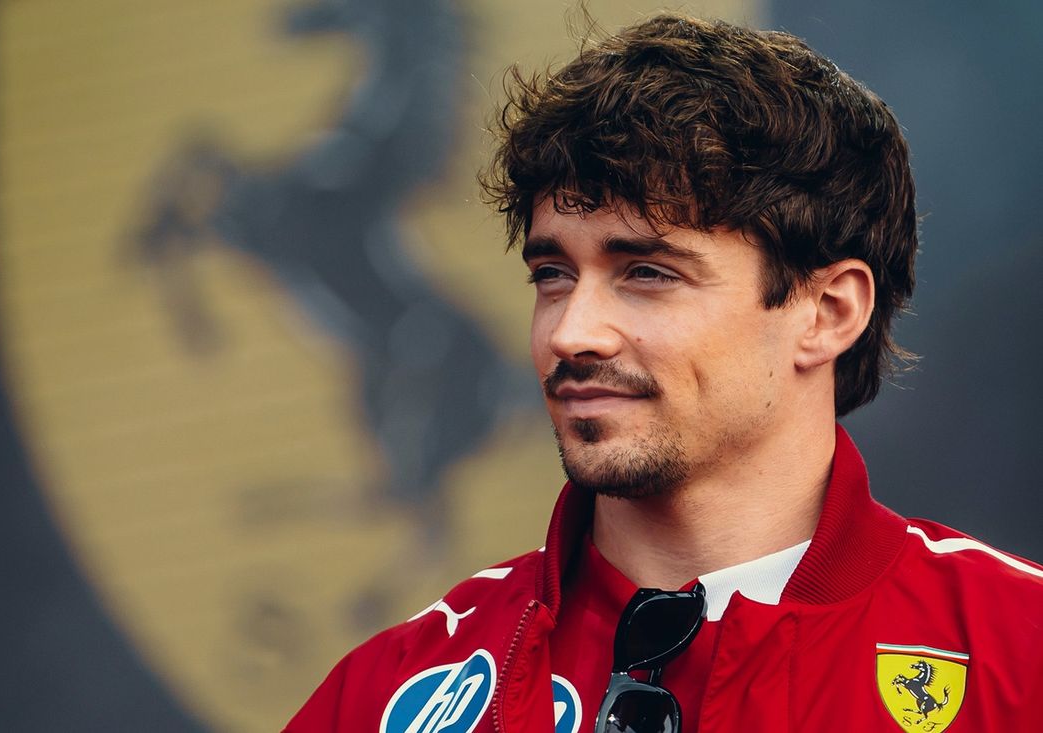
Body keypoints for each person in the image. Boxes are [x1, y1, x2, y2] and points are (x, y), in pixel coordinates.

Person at [283, 13, 1043, 733]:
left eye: (647, 272)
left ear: (827, 313)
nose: (570, 332)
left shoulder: (1018, 654)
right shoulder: (385, 694)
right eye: (552, 274)